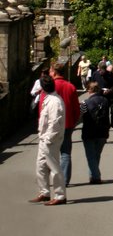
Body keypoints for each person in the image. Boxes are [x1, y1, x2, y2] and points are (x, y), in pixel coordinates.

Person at [30, 75, 67, 205]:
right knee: (40, 165)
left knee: (54, 167)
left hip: (50, 139)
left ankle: (60, 195)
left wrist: (48, 138)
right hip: (44, 137)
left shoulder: (55, 101)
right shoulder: (49, 99)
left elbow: (55, 123)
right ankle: (44, 192)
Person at [42, 61, 81, 187]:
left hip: (51, 125)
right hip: (68, 124)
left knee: (48, 153)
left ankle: (47, 181)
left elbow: (43, 106)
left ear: (53, 72)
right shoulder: (70, 86)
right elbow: (76, 108)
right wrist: (73, 122)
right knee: (65, 153)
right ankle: (63, 180)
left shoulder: (49, 86)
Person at [80, 81, 110, 183]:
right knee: (97, 155)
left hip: (89, 131)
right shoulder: (105, 101)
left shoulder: (85, 102)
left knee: (90, 156)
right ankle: (92, 176)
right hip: (102, 131)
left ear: (89, 90)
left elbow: (81, 117)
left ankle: (96, 177)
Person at [90, 60, 113, 130]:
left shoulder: (111, 75)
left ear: (105, 69)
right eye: (100, 70)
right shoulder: (95, 74)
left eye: (103, 70)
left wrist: (109, 90)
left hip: (111, 95)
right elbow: (92, 85)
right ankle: (105, 125)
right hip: (100, 96)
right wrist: (98, 91)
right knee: (104, 111)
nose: (101, 72)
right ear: (99, 69)